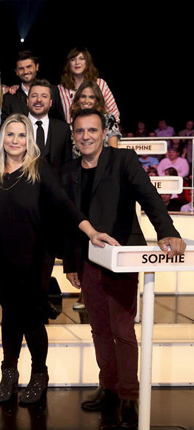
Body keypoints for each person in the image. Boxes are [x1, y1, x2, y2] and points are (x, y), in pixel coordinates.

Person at [61, 109, 185, 429]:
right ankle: (111, 389)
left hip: (122, 259)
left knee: (122, 329)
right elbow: (70, 221)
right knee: (99, 329)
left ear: (104, 133)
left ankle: (130, 395)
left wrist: (167, 230)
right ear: (74, 136)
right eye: (80, 131)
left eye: (92, 130)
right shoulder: (69, 171)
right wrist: (72, 263)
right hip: (88, 260)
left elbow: (149, 197)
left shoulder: (124, 160)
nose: (86, 136)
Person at [0, 113, 114, 406]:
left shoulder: (40, 170)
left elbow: (65, 206)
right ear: (3, 138)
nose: (16, 141)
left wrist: (90, 231)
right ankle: (10, 373)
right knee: (9, 316)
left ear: (30, 139)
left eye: (22, 135)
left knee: (30, 317)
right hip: (2, 258)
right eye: (11, 135)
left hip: (35, 257)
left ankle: (39, 374)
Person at [58, 48, 119, 125]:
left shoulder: (100, 84)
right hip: (71, 134)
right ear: (68, 63)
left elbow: (113, 114)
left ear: (88, 62)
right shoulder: (60, 89)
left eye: (81, 58)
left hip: (98, 134)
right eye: (73, 59)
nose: (77, 62)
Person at [1, 51, 64, 123]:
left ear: (37, 67)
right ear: (16, 72)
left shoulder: (52, 90)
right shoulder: (9, 98)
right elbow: (4, 126)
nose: (26, 71)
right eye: (21, 68)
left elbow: (60, 121)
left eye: (29, 67)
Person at [27, 80, 72, 170]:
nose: (39, 100)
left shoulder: (63, 129)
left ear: (51, 102)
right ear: (27, 101)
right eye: (34, 96)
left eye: (44, 96)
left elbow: (67, 164)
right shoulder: (16, 126)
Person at [69, 81, 121, 147]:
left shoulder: (108, 120)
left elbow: (114, 151)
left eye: (91, 97)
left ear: (97, 100)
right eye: (83, 96)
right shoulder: (73, 124)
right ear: (78, 99)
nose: (86, 101)